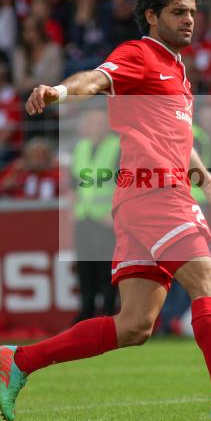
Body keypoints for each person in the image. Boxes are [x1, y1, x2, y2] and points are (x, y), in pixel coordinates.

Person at [0, 0, 211, 421]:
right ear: (152, 16)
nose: (190, 20)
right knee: (210, 286)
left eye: (193, 12)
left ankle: (22, 360)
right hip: (154, 193)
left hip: (143, 198)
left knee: (134, 325)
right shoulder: (139, 54)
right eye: (178, 12)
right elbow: (95, 79)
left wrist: (205, 176)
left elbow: (178, 135)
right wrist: (59, 92)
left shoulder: (178, 69)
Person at [70, 106, 119, 323]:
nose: (95, 127)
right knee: (85, 269)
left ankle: (109, 313)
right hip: (84, 217)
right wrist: (73, 210)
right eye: (91, 123)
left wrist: (115, 213)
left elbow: (125, 182)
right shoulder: (81, 147)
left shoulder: (117, 146)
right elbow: (73, 183)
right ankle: (86, 313)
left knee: (106, 270)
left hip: (105, 219)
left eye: (99, 123)